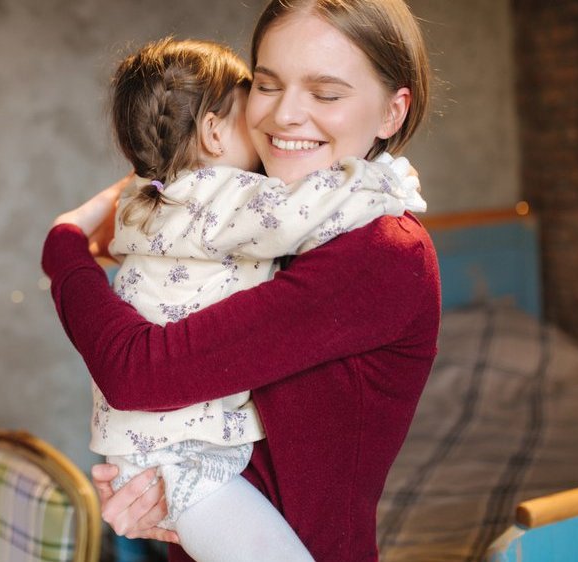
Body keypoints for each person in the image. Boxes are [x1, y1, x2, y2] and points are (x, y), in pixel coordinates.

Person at [43, 1, 438, 560]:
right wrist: (159, 495)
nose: (285, 117)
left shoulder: (380, 252)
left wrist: (63, 245)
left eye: (326, 93)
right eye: (268, 86)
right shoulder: (250, 215)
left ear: (392, 114)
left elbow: (135, 372)